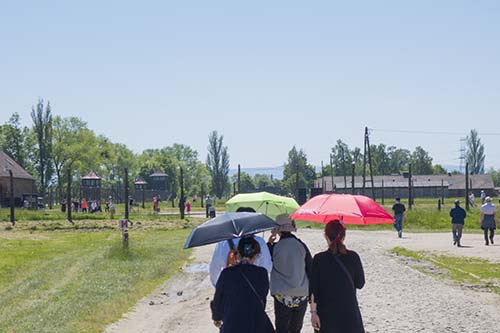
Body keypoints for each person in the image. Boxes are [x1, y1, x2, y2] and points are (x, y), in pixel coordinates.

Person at [310, 220, 365, 333]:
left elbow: (313, 291)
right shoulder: (353, 257)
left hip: (326, 315)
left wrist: (313, 313)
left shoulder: (319, 259)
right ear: (344, 236)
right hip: (349, 313)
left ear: (326, 236)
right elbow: (360, 283)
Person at [211, 237, 275, 332]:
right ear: (256, 255)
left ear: (238, 253)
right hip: (256, 323)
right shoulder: (262, 273)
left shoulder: (227, 273)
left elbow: (218, 298)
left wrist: (217, 317)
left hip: (232, 323)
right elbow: (262, 299)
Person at [267, 214, 312, 333]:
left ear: (278, 230)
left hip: (282, 294)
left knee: (281, 328)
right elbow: (310, 268)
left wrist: (269, 243)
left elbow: (266, 263)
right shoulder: (301, 245)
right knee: (296, 328)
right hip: (301, 292)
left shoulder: (275, 247)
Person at [209, 207, 273, 287]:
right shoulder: (260, 242)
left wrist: (218, 286)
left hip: (230, 287)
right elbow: (267, 267)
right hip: (253, 287)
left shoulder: (223, 242)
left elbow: (214, 268)